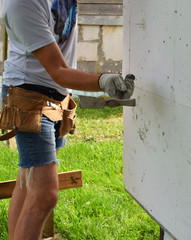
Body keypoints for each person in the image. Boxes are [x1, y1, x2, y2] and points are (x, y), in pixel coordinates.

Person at [0, 0, 135, 239]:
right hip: (27, 96)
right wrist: (102, 81)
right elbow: (58, 70)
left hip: (56, 97)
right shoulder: (21, 4)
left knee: (27, 181)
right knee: (44, 195)